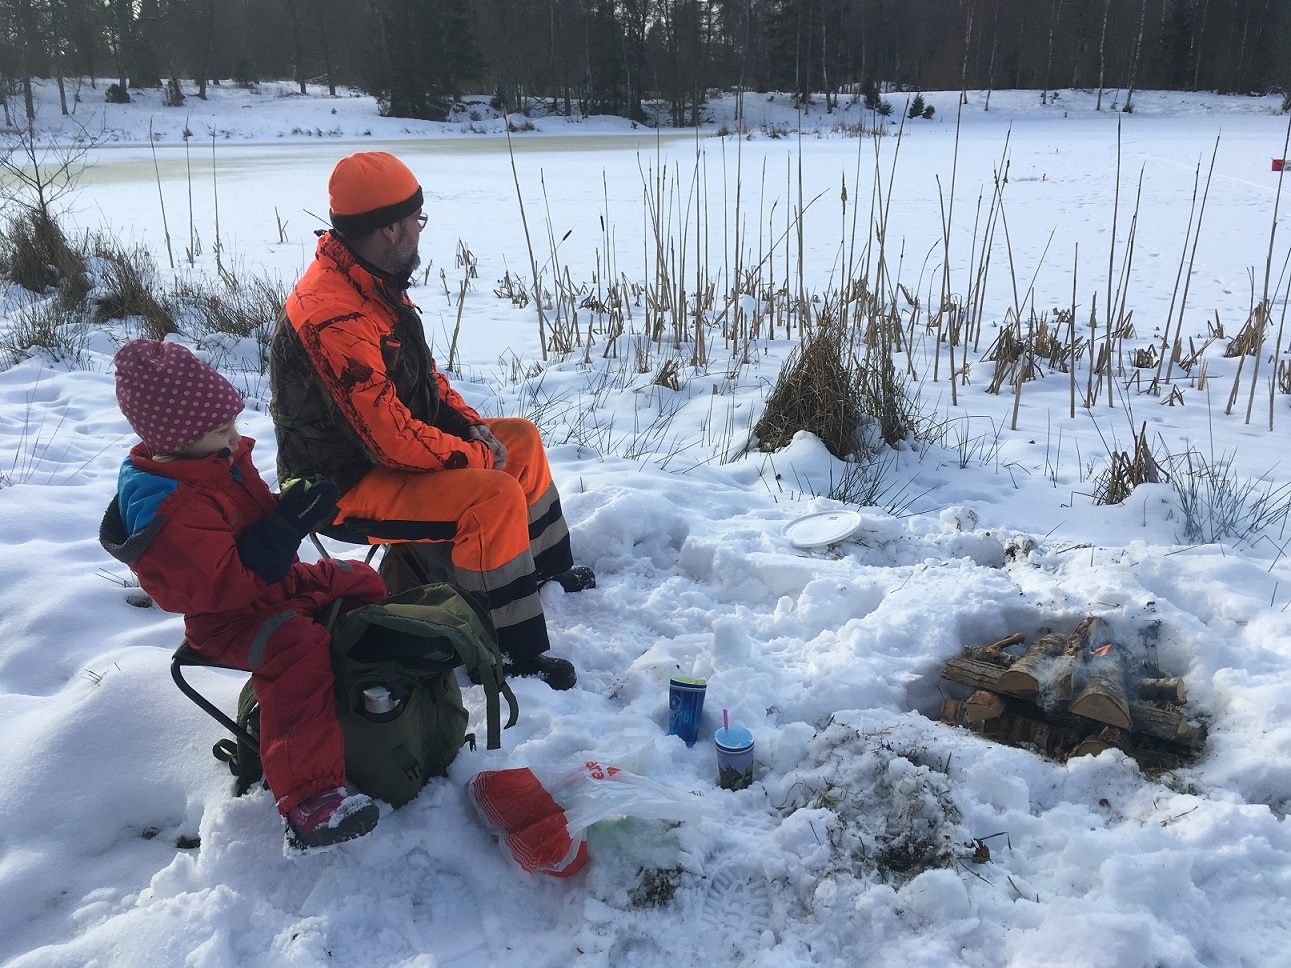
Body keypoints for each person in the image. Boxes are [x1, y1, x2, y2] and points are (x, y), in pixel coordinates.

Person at [268, 151, 592, 691]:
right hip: (338, 485)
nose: (420, 230)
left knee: (520, 439)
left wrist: (470, 427)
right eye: (416, 220)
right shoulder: (333, 314)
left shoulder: (371, 281)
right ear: (390, 229)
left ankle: (545, 572)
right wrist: (476, 456)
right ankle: (510, 652)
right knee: (491, 496)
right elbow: (391, 441)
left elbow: (423, 380)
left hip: (380, 456)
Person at [98, 338, 387, 851]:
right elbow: (225, 582)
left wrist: (290, 503)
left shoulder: (214, 460)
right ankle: (310, 799)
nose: (235, 436)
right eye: (221, 430)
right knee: (296, 647)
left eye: (232, 423)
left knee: (361, 580)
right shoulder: (168, 508)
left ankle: (365, 691)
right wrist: (284, 527)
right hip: (229, 621)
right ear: (175, 440)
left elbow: (248, 519)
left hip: (276, 587)